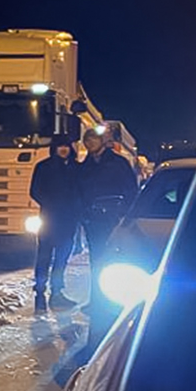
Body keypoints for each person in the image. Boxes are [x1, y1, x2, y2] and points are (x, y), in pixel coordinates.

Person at [77, 127, 139, 307]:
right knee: (95, 260)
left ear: (102, 141)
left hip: (113, 219)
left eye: (93, 140)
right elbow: (80, 192)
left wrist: (124, 214)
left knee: (112, 259)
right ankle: (96, 299)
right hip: (93, 219)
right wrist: (84, 214)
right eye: (87, 141)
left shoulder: (118, 163)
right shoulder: (85, 166)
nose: (89, 144)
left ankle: (112, 299)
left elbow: (130, 189)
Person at [29, 138, 83, 312]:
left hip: (68, 220)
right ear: (54, 148)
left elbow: (81, 191)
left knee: (61, 258)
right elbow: (35, 191)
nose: (63, 149)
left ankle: (57, 292)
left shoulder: (76, 168)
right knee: (44, 256)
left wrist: (76, 208)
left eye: (66, 146)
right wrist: (51, 204)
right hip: (49, 218)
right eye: (60, 146)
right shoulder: (43, 166)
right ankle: (39, 291)